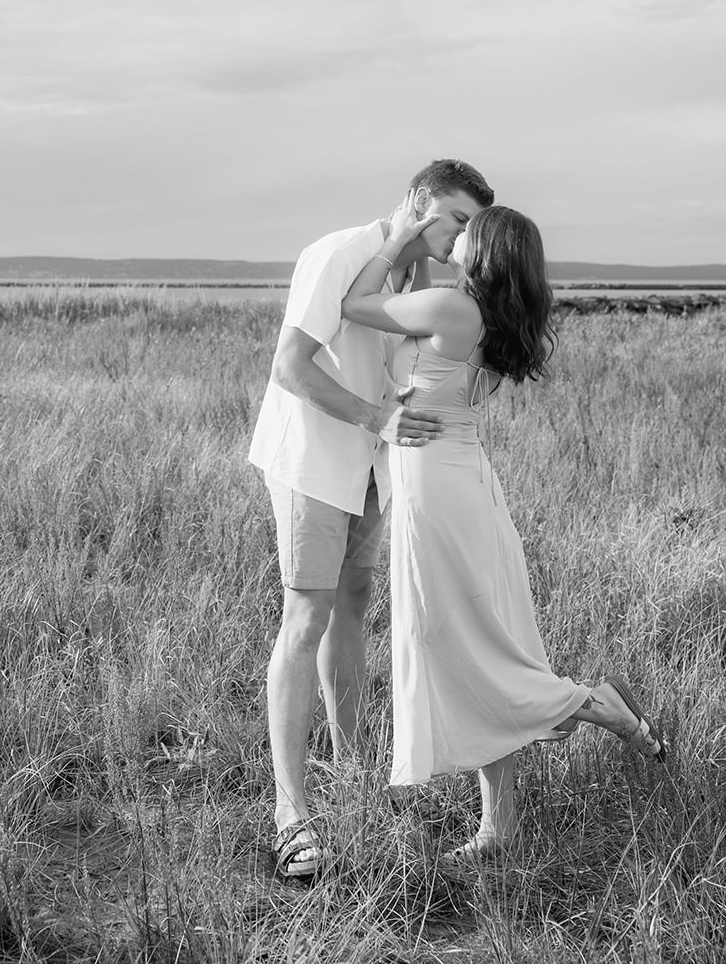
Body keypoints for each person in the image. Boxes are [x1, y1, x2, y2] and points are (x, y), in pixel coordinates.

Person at [340, 196, 665, 867]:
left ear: (482, 251)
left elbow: (354, 304)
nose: (454, 235)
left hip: (437, 488)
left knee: (458, 642)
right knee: (487, 639)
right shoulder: (478, 312)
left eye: (466, 231)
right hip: (462, 483)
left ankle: (594, 704)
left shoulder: (451, 309)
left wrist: (394, 242)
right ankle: (497, 826)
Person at [249, 160, 496, 879]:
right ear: (419, 204)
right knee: (306, 617)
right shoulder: (337, 254)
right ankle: (290, 814)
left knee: (354, 605)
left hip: (368, 466)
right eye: (453, 218)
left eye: (470, 225)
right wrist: (376, 417)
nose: (461, 235)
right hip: (313, 460)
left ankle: (351, 774)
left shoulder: (418, 278)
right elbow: (289, 367)